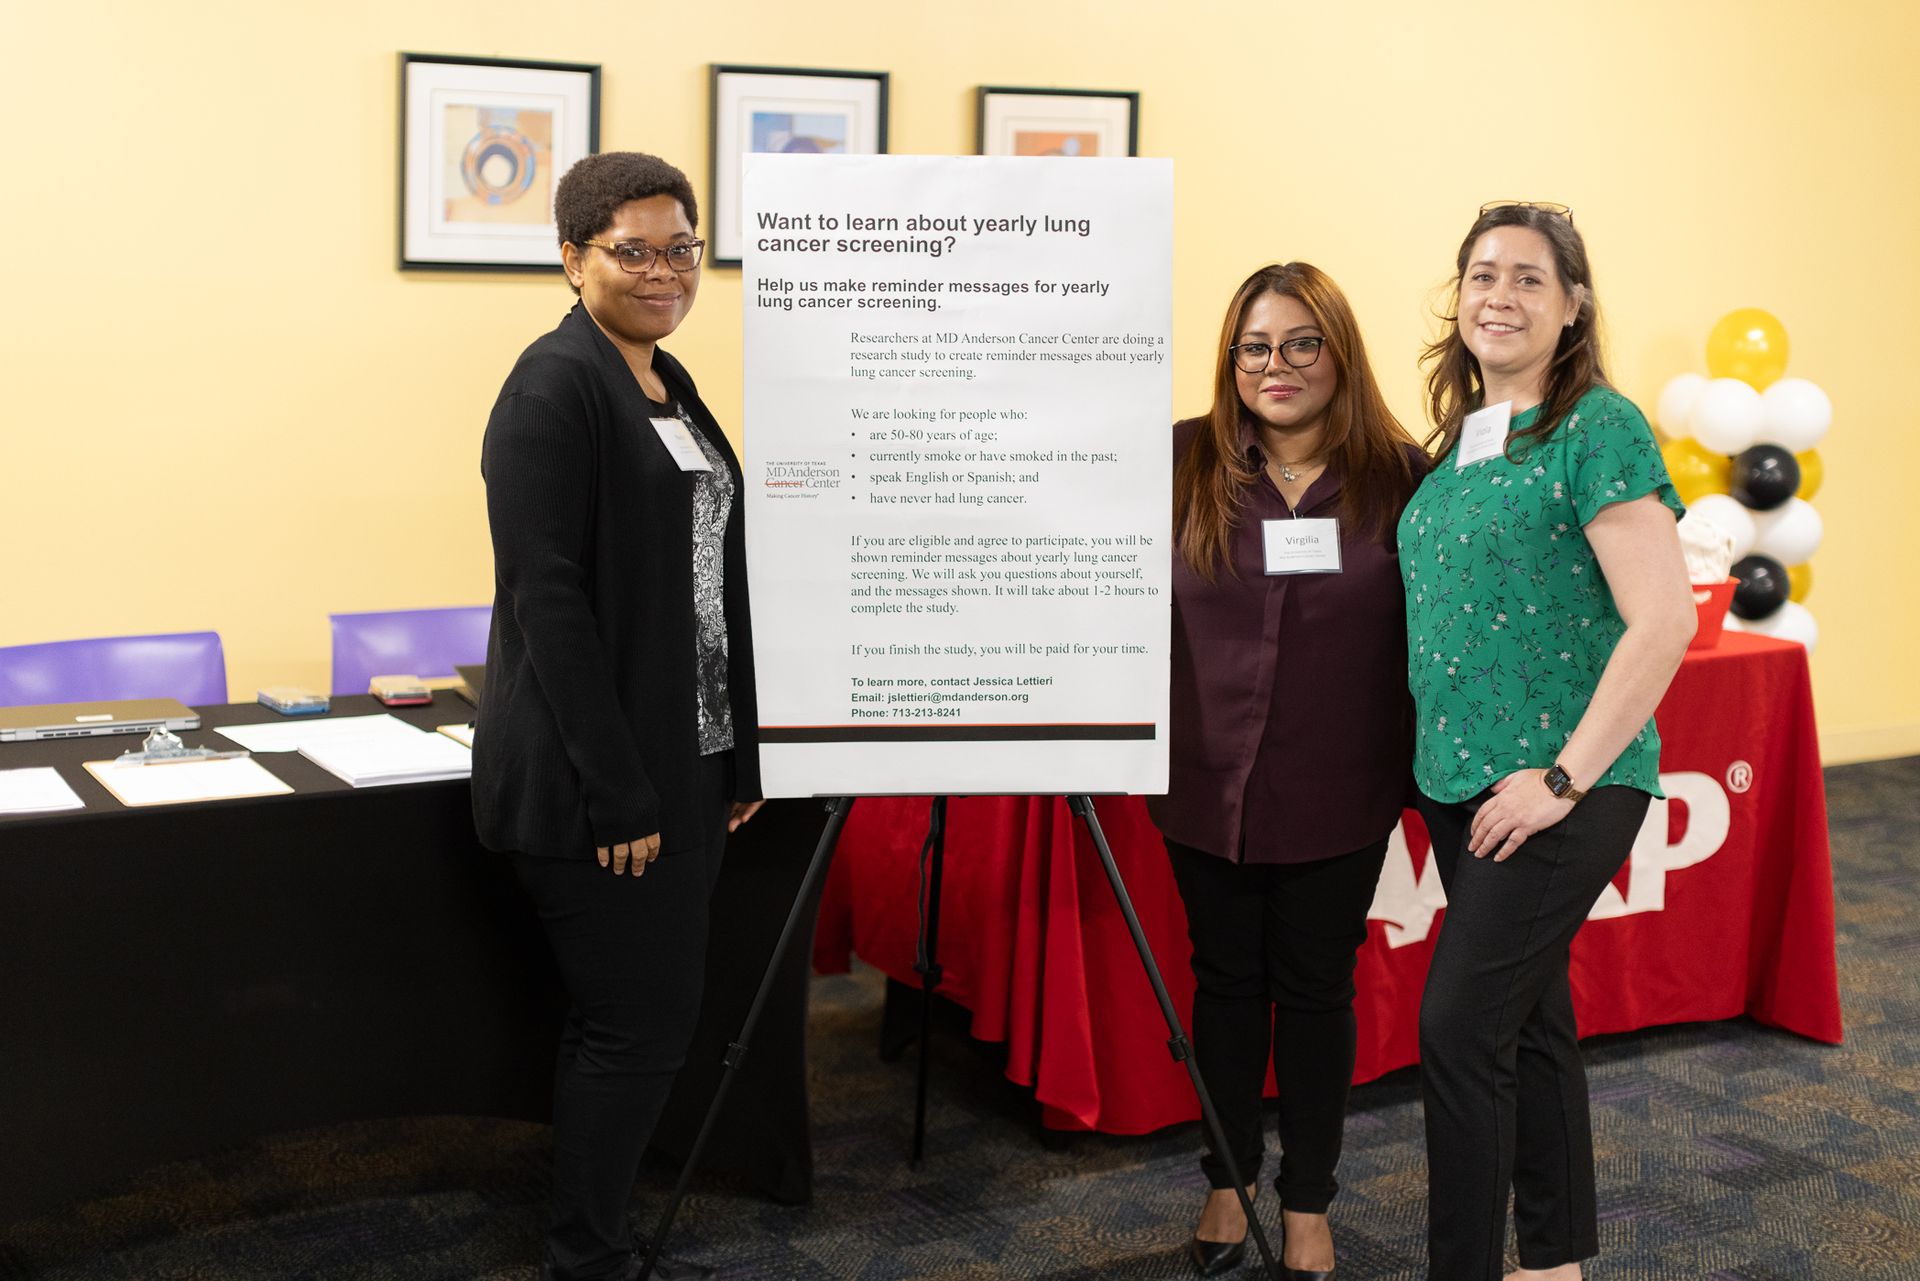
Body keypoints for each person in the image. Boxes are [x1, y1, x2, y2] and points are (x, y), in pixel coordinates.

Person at [472, 151, 764, 1281]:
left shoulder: (667, 382)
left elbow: (703, 580)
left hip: (680, 764)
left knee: (654, 1023)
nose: (663, 270)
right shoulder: (553, 387)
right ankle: (585, 1257)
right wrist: (622, 788)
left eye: (681, 248)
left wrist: (731, 748)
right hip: (603, 786)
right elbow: (550, 605)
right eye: (632, 250)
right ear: (572, 258)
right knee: (633, 1032)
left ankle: (597, 1238)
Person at [1399, 203, 1695, 1281]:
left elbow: (1665, 620)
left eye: (1530, 278)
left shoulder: (1597, 426)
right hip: (1464, 783)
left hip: (1565, 782)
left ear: (1573, 307)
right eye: (1483, 274)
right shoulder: (1466, 440)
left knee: (1460, 1031)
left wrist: (1564, 778)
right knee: (1526, 1028)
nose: (1501, 296)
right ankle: (1555, 1262)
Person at [1149, 262, 1426, 1279]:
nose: (1278, 366)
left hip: (1339, 789)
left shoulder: (1404, 477)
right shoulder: (1176, 462)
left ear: (1339, 355)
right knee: (1224, 982)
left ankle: (1309, 1200)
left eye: (1302, 343)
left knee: (1316, 990)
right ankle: (1226, 1182)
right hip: (1199, 780)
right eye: (1256, 346)